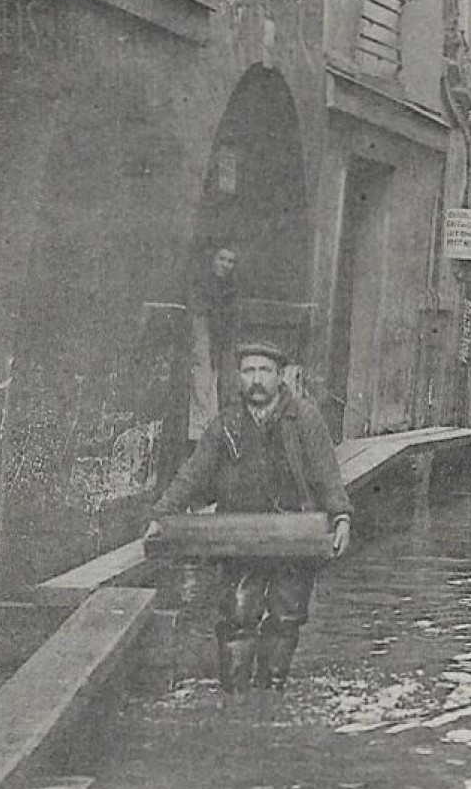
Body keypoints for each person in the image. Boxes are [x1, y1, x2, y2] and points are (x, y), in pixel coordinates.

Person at [149, 341, 352, 693]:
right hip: (240, 535)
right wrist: (162, 514)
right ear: (239, 377)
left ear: (279, 376)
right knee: (237, 616)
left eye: (265, 371)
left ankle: (271, 691)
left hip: (294, 535)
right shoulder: (226, 424)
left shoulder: (304, 418)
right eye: (249, 371)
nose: (256, 380)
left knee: (286, 617)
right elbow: (193, 473)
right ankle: (236, 697)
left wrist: (341, 518)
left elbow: (326, 474)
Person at [188, 246, 238, 443]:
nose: (225, 265)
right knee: (201, 380)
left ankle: (212, 429)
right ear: (212, 259)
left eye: (230, 261)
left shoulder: (231, 291)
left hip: (219, 343)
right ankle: (199, 432)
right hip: (202, 340)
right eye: (221, 259)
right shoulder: (201, 287)